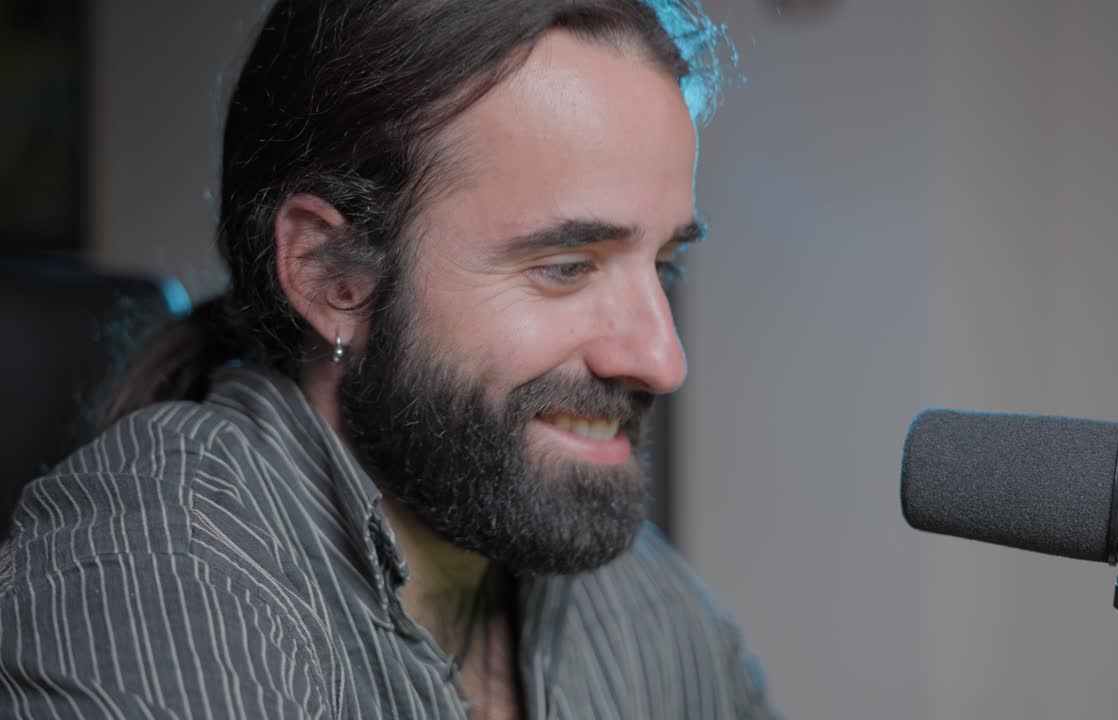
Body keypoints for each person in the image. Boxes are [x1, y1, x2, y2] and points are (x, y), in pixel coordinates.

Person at [0, 1, 775, 718]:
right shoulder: (158, 576)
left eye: (665, 266)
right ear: (330, 275)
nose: (660, 358)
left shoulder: (635, 592)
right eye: (566, 267)